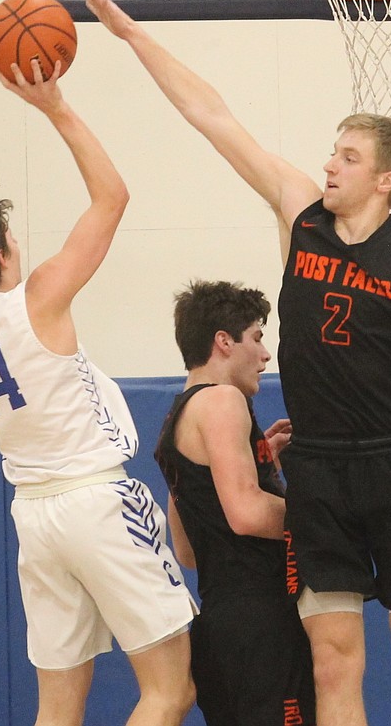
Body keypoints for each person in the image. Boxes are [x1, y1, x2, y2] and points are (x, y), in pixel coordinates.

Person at [76, 0, 391, 726]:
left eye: (349, 156)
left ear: (386, 178)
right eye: (332, 151)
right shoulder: (301, 217)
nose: (330, 164)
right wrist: (133, 36)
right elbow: (214, 117)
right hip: (320, 471)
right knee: (334, 661)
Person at [0, 66, 197, 726]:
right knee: (170, 689)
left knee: (57, 707)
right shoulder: (39, 295)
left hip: (35, 517)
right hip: (97, 500)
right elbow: (112, 196)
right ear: (7, 252)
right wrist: (55, 105)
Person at [153, 279, 316, 726]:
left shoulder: (175, 420)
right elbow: (245, 514)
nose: (265, 355)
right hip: (262, 625)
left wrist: (252, 462)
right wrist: (324, 513)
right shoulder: (224, 400)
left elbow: (186, 551)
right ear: (223, 342)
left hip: (220, 628)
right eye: (258, 338)